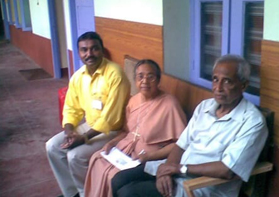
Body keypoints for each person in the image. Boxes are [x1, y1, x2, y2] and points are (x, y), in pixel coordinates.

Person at [112, 55, 268, 197]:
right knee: (119, 179)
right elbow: (181, 145)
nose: (218, 88)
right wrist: (167, 171)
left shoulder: (252, 122)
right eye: (215, 79)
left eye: (227, 81)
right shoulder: (205, 107)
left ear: (243, 85)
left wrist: (179, 169)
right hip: (177, 171)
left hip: (201, 187)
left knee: (129, 193)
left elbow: (228, 170)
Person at [84, 59, 187, 197]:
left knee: (112, 174)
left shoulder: (170, 103)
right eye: (140, 76)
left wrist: (149, 156)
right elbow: (127, 132)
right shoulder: (134, 100)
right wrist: (111, 143)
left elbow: (180, 144)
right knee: (96, 159)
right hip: (124, 150)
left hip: (149, 157)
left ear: (158, 80)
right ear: (135, 80)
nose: (145, 81)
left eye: (150, 77)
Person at [46, 31, 131, 197]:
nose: (89, 54)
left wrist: (84, 137)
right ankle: (72, 193)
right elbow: (71, 108)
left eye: (94, 49)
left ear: (102, 50)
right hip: (89, 126)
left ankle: (89, 193)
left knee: (75, 156)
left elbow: (110, 117)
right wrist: (69, 131)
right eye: (84, 50)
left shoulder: (115, 73)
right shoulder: (78, 77)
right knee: (52, 147)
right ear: (79, 53)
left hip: (113, 130)